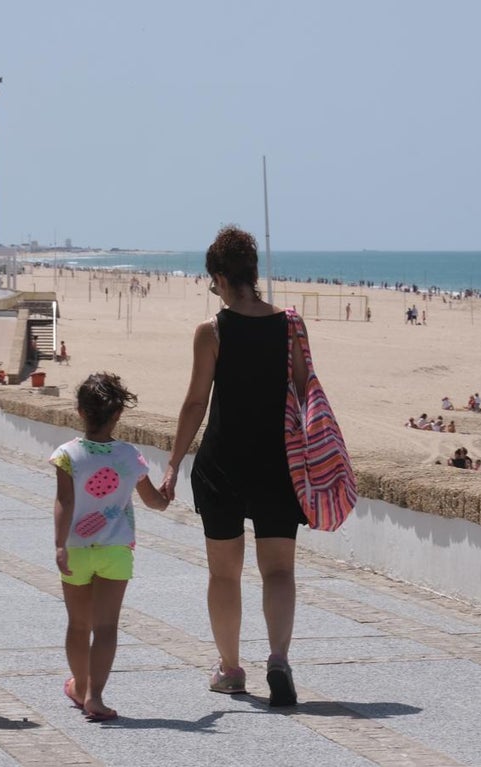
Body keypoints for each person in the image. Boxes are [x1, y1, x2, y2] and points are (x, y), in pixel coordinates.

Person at [160, 225, 307, 706]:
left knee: (224, 574)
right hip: (278, 464)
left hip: (222, 464)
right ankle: (280, 659)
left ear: (221, 278)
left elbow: (195, 403)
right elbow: (306, 395)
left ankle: (230, 669)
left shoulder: (213, 331)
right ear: (254, 273)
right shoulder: (291, 325)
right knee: (279, 571)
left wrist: (172, 465)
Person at [51, 373, 169, 722]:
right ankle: (96, 696)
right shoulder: (130, 456)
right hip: (116, 550)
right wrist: (166, 496)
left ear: (79, 411)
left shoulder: (66, 455)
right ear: (118, 415)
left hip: (76, 549)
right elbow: (153, 502)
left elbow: (63, 501)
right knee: (106, 627)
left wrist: (59, 545)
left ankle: (79, 686)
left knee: (77, 625)